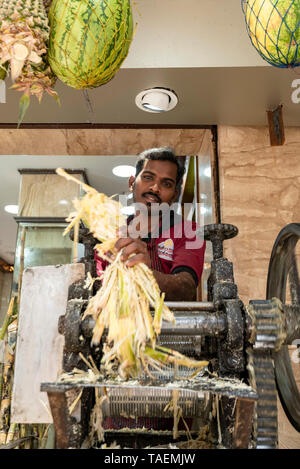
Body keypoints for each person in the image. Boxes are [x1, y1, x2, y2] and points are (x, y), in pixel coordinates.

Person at [96, 147, 206, 302]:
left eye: (166, 184)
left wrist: (146, 274)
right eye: (148, 178)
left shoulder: (189, 231)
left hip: (169, 325)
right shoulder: (111, 235)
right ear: (132, 182)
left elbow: (186, 288)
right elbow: (97, 286)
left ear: (174, 195)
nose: (155, 188)